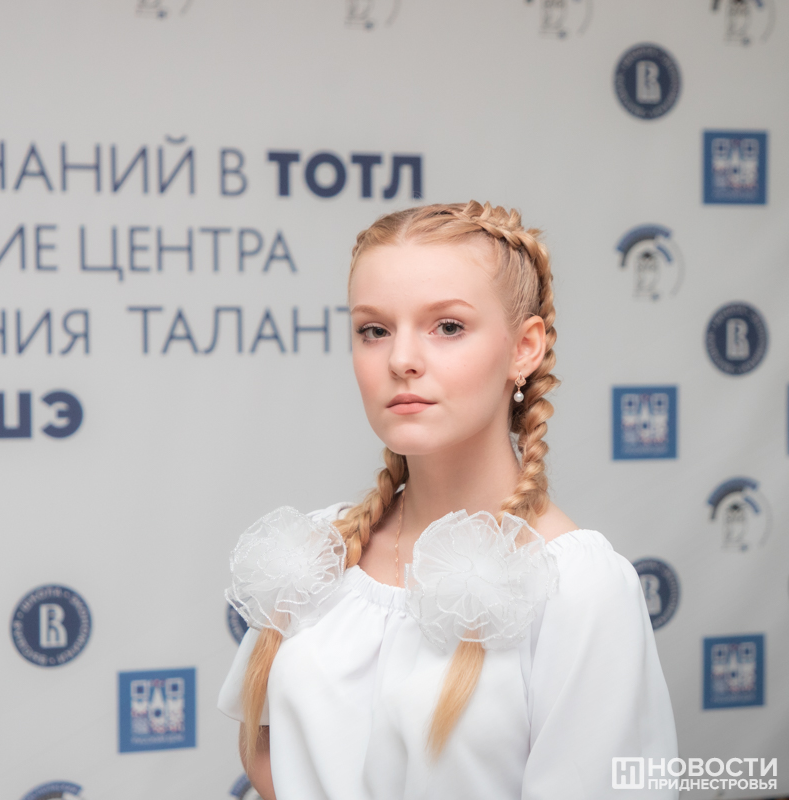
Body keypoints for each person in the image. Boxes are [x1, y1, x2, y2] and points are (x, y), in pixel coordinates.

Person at [218, 201, 678, 800]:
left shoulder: (576, 587)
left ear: (525, 348)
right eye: (374, 330)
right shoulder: (319, 552)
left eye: (448, 327)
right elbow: (265, 751)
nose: (401, 360)